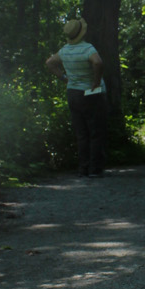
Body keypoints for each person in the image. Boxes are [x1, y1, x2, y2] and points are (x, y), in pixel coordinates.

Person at [46, 17, 106, 178]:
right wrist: (96, 81)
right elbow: (98, 63)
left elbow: (50, 63)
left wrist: (64, 78)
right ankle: (95, 169)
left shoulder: (65, 50)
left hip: (73, 93)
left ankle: (83, 168)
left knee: (81, 133)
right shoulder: (87, 49)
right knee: (95, 131)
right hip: (90, 94)